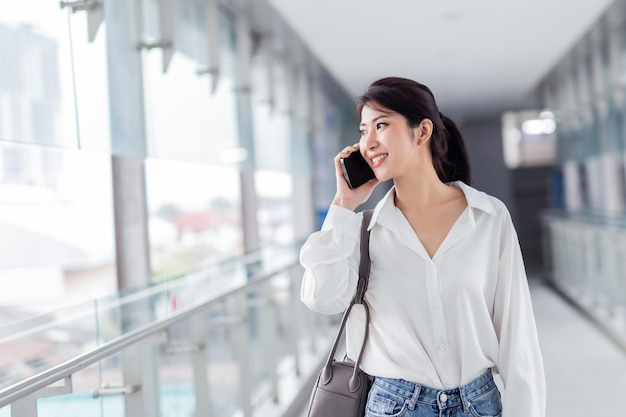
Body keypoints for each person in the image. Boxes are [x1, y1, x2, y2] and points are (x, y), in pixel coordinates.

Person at [300, 77, 545, 417]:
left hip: (479, 405)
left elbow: (518, 338)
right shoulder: (360, 230)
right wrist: (343, 204)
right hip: (393, 406)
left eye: (381, 125)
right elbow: (322, 299)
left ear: (422, 131)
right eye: (362, 130)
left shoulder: (488, 217)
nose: (367, 142)